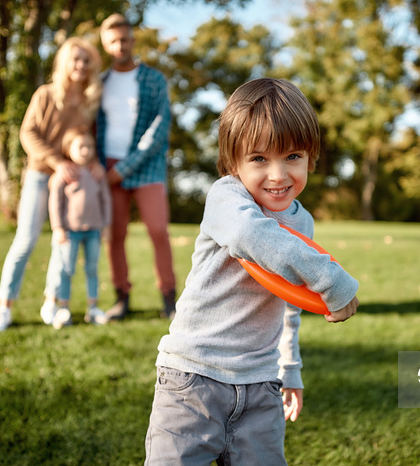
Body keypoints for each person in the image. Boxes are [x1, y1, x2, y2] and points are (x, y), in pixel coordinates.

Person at [144, 78, 360, 465]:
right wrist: (335, 280)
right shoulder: (226, 198)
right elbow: (252, 234)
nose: (278, 175)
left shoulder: (302, 223)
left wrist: (289, 368)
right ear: (233, 163)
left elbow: (291, 303)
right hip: (193, 380)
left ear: (311, 157)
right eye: (259, 159)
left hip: (261, 387)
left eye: (292, 156)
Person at [0, 37, 103, 334]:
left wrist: (92, 164)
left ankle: (51, 303)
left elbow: (85, 144)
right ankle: (4, 307)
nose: (81, 65)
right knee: (25, 240)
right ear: (64, 63)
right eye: (75, 59)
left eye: (86, 60)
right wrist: (55, 161)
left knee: (60, 243)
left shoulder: (90, 103)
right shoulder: (45, 94)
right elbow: (28, 133)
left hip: (71, 181)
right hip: (41, 175)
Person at [96, 13, 176, 320]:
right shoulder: (100, 82)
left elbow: (159, 127)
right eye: (113, 41)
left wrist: (126, 167)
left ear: (133, 40)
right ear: (105, 44)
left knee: (158, 230)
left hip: (146, 166)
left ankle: (169, 299)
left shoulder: (153, 79)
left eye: (124, 39)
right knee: (115, 235)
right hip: (108, 167)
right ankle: (122, 297)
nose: (120, 45)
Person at [48, 126, 112, 329]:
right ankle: (63, 308)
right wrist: (58, 228)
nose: (86, 150)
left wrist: (106, 225)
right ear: (69, 149)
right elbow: (55, 202)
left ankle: (93, 308)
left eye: (90, 146)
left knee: (92, 269)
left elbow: (106, 201)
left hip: (94, 230)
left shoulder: (97, 173)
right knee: (66, 270)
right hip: (69, 232)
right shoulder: (65, 174)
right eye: (81, 146)